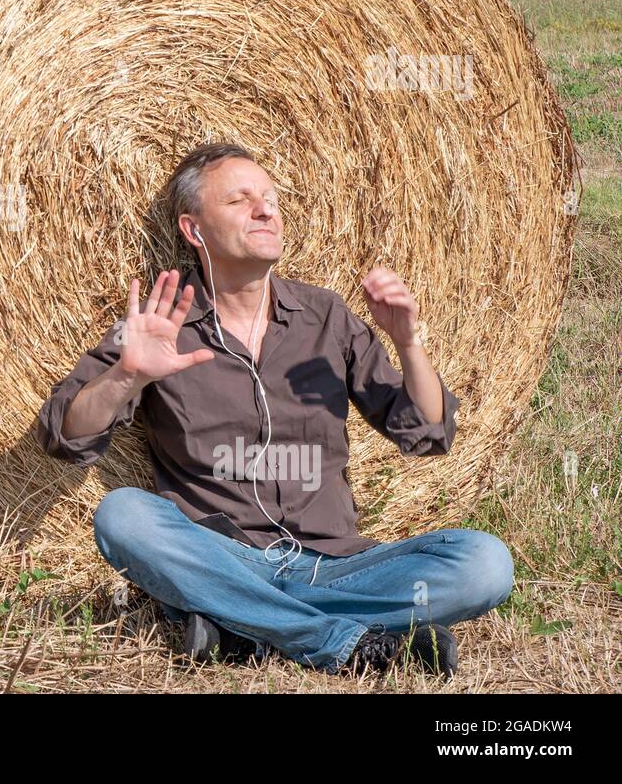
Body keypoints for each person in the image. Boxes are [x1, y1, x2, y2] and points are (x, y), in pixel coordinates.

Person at [33, 142, 513, 679]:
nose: (266, 210)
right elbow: (63, 435)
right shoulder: (160, 322)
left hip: (337, 566)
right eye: (240, 200)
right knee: (122, 515)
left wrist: (409, 344)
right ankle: (344, 640)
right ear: (194, 230)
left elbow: (425, 434)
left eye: (271, 198)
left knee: (485, 563)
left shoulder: (326, 316)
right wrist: (128, 374)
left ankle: (242, 628)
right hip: (223, 558)